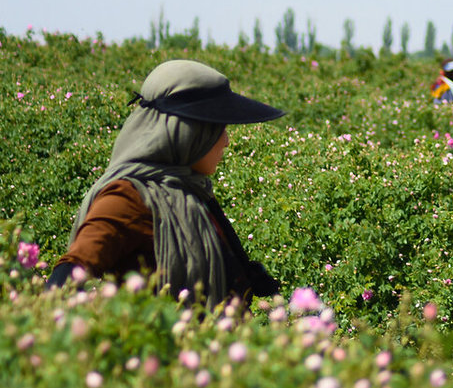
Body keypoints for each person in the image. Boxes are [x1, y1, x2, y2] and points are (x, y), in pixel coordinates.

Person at [47, 59, 286, 307]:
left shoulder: (191, 193)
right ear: (189, 133)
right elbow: (71, 270)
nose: (225, 141)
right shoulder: (129, 197)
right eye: (219, 130)